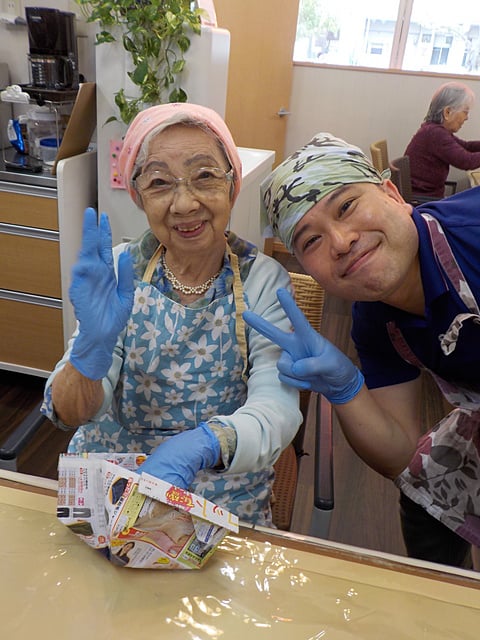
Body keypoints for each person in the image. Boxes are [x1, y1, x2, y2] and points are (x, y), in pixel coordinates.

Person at [41, 102, 301, 527]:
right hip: (112, 485)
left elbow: (277, 407)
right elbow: (71, 413)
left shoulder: (262, 282)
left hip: (219, 492)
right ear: (140, 197)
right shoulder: (120, 271)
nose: (184, 204)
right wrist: (89, 351)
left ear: (233, 187)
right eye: (161, 183)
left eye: (205, 176)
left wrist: (205, 443)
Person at [243, 132, 480, 569]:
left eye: (347, 207)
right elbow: (399, 455)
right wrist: (346, 389)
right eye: (310, 241)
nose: (340, 240)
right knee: (425, 487)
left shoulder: (474, 233)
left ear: (391, 192)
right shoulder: (376, 320)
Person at [405, 81, 480, 198]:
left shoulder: (433, 130)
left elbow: (465, 146)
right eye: (465, 112)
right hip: (422, 200)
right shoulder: (435, 134)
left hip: (425, 196)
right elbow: (466, 161)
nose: (467, 118)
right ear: (447, 112)